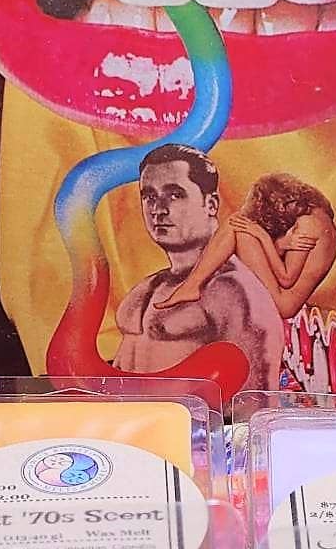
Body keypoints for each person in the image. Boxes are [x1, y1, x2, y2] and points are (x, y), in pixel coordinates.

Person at [112, 143, 283, 382]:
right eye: (149, 196)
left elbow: (256, 394)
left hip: (189, 408)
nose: (158, 209)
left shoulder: (232, 290)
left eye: (175, 195)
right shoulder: (150, 285)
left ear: (211, 204)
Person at [164, 171, 336, 320]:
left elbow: (286, 278)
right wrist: (280, 244)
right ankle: (192, 285)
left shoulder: (307, 224)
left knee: (236, 224)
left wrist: (262, 236)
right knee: (237, 223)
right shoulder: (320, 219)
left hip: (283, 303)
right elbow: (285, 264)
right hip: (285, 297)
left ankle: (192, 285)